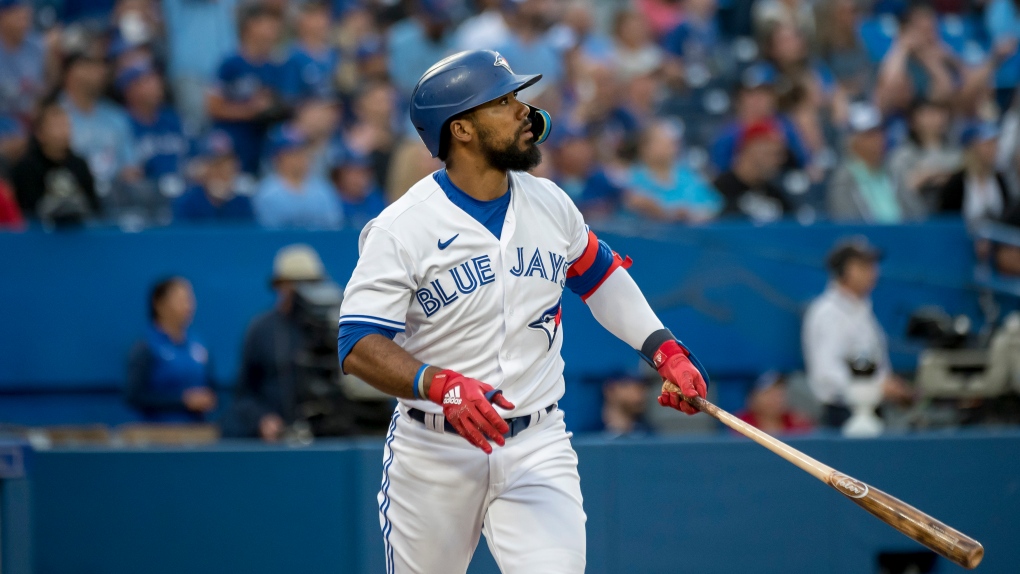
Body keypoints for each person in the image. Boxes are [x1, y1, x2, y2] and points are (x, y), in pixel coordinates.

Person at [337, 49, 710, 574]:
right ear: (461, 129)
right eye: (503, 99)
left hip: (537, 443)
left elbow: (601, 279)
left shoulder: (551, 203)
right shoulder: (402, 227)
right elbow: (356, 345)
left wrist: (663, 349)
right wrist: (438, 383)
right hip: (435, 450)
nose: (522, 109)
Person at [802, 238, 914, 429]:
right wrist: (880, 388)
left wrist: (890, 385)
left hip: (871, 411)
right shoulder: (828, 312)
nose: (874, 272)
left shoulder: (861, 310)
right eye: (864, 266)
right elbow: (826, 375)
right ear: (846, 270)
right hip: (843, 416)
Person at [229, 244, 327, 441]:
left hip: (325, 438)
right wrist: (261, 419)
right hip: (276, 440)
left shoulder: (329, 329)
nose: (303, 293)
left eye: (311, 284)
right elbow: (243, 394)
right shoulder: (261, 330)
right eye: (296, 284)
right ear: (280, 286)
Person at [207, 5, 286, 174]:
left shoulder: (274, 66)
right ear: (251, 25)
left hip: (260, 143)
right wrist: (250, 110)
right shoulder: (230, 64)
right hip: (231, 141)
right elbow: (213, 107)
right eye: (267, 24)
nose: (273, 29)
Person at [125, 277, 217, 422]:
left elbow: (211, 387)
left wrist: (208, 399)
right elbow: (134, 396)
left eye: (190, 300)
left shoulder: (199, 346)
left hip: (197, 433)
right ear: (159, 304)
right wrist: (182, 401)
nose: (188, 306)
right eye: (181, 300)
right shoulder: (145, 346)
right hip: (158, 434)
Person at [59, 52, 141, 199]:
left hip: (115, 197)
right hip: (71, 194)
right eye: (89, 65)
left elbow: (131, 167)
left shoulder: (117, 117)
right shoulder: (55, 114)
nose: (99, 71)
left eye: (99, 66)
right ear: (69, 73)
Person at [827, 103, 923, 222]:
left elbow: (917, 215)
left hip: (903, 236)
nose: (877, 139)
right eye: (869, 135)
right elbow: (846, 222)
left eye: (879, 133)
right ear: (853, 140)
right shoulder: (843, 179)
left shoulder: (893, 172)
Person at [11, 101, 99, 224]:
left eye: (66, 125)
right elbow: (26, 210)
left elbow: (94, 206)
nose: (63, 132)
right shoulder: (26, 167)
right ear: (40, 133)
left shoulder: (79, 164)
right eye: (56, 126)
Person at [624, 119, 722, 222]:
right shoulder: (630, 179)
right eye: (660, 142)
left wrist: (691, 214)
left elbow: (714, 205)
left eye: (670, 142)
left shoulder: (688, 176)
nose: (668, 146)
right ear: (644, 147)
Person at [119, 62, 190, 198]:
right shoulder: (122, 124)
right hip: (145, 198)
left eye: (156, 79)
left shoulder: (174, 119)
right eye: (147, 81)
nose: (156, 84)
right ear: (130, 90)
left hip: (182, 193)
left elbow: (195, 156)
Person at [252, 125, 342, 229]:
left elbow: (334, 228)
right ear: (277, 158)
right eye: (292, 153)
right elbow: (266, 233)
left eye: (302, 152)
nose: (299, 158)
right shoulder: (266, 192)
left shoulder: (323, 190)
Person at [887, 98, 961, 210]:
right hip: (915, 220)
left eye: (938, 112)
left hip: (952, 218)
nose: (934, 118)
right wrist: (933, 175)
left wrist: (927, 176)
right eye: (927, 113)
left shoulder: (956, 154)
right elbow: (903, 188)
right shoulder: (901, 156)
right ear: (913, 121)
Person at [713, 119, 792, 222]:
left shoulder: (775, 193)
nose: (781, 160)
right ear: (752, 149)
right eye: (774, 153)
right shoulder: (719, 189)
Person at [936, 122, 1013, 226]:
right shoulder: (956, 183)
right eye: (987, 144)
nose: (993, 149)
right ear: (972, 148)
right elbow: (946, 218)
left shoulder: (1000, 180)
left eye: (995, 144)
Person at [172, 130, 253, 223]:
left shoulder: (242, 203)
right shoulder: (187, 203)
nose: (220, 171)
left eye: (226, 164)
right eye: (214, 165)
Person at [281, 1, 339, 103]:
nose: (320, 20)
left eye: (323, 14)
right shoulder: (290, 56)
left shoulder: (335, 53)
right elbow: (289, 98)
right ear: (298, 20)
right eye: (313, 15)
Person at [735, 371, 813, 434]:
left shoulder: (798, 424)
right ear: (752, 397)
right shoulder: (739, 424)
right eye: (769, 393)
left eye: (780, 392)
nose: (777, 399)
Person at [328, 147, 385, 230]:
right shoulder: (329, 201)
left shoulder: (377, 200)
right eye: (352, 173)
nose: (359, 179)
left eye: (364, 172)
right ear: (340, 174)